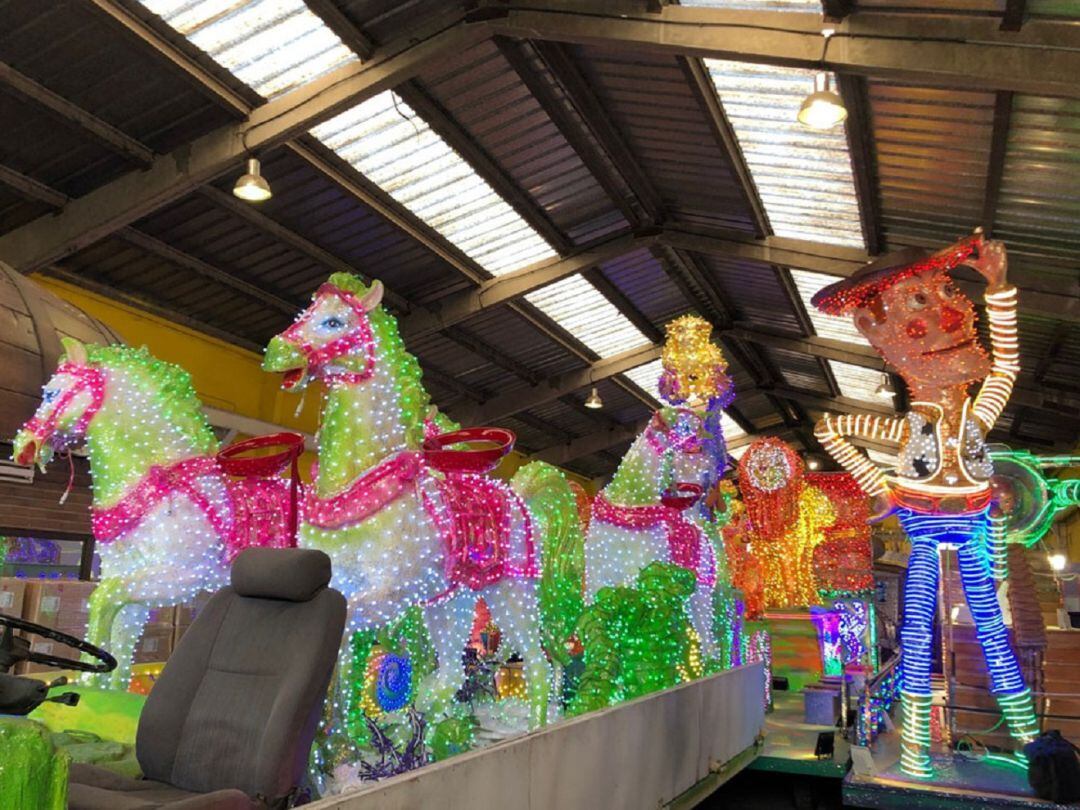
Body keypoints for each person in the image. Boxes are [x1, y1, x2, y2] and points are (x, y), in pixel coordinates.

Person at [811, 232, 1036, 777]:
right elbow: (831, 429)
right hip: (926, 522)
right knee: (916, 636)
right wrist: (883, 487)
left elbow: (1005, 368)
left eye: (942, 295)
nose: (952, 312)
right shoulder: (907, 428)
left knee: (990, 630)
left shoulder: (973, 418)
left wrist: (1000, 290)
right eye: (919, 303)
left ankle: (1037, 750)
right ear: (879, 333)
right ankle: (917, 753)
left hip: (973, 518)